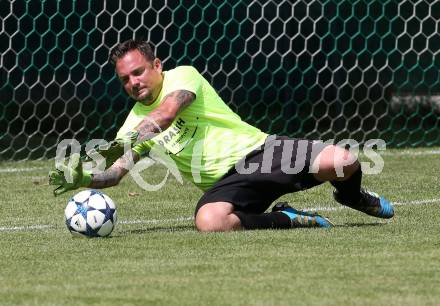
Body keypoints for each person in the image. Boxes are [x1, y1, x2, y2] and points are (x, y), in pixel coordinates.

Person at [49, 39, 394, 232]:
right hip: (228, 184)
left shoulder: (183, 76)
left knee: (344, 161)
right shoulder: (132, 124)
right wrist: (87, 178)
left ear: (157, 66)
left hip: (264, 151)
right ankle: (289, 218)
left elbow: (166, 114)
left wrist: (124, 142)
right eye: (125, 79)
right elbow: (116, 172)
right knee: (209, 221)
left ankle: (353, 197)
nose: (133, 82)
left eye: (138, 72)